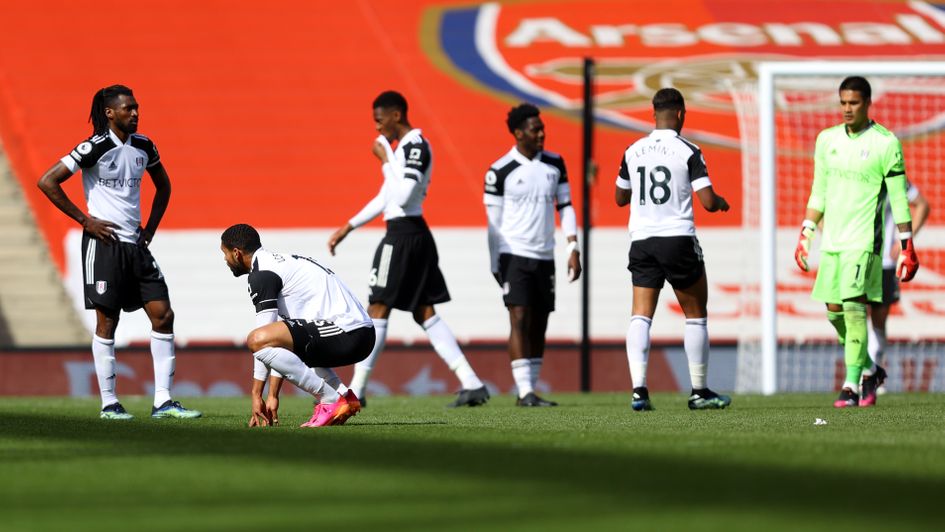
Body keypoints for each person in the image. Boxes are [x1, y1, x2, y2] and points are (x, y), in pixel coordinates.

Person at [36, 85, 200, 420]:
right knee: (108, 321)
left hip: (136, 245)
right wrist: (85, 220)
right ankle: (109, 403)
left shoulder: (144, 145)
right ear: (110, 113)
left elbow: (164, 186)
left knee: (163, 315)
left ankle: (164, 401)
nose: (135, 113)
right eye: (128, 109)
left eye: (137, 107)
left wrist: (150, 228)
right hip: (104, 244)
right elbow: (48, 180)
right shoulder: (93, 147)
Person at [327, 91, 488, 408]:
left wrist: (386, 158)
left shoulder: (414, 146)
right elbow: (387, 195)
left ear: (396, 115)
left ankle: (357, 390)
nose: (377, 128)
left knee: (378, 307)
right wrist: (347, 227)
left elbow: (401, 197)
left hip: (403, 236)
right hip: (413, 234)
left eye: (379, 120)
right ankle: (472, 382)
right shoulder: (403, 150)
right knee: (424, 311)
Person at [795, 76, 919, 408]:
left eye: (854, 103)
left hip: (865, 243)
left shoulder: (886, 143)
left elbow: (900, 200)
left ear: (867, 103)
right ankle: (870, 369)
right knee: (833, 311)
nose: (848, 109)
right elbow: (818, 191)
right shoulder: (827, 140)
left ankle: (851, 385)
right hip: (832, 241)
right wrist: (807, 231)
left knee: (853, 310)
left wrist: (907, 244)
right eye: (843, 103)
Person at [614, 88, 731, 411]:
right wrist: (720, 202)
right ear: (681, 114)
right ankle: (699, 391)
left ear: (653, 114)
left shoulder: (632, 150)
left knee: (640, 315)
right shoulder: (688, 150)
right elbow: (706, 201)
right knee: (695, 316)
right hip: (677, 238)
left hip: (641, 240)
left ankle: (639, 390)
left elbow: (620, 198)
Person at [220, 224, 374, 428]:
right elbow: (281, 344)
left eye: (225, 254)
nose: (225, 260)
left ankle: (330, 400)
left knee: (256, 339)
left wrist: (257, 394)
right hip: (357, 333)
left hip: (350, 332)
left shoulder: (262, 274)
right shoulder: (278, 262)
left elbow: (262, 338)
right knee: (274, 338)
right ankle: (344, 397)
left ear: (237, 253)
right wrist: (273, 395)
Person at [484, 103, 582, 407]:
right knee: (519, 316)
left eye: (542, 128)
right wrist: (494, 261)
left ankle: (531, 390)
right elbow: (493, 222)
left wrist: (572, 246)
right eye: (535, 129)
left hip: (544, 255)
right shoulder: (500, 171)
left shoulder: (555, 164)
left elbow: (565, 206)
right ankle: (524, 390)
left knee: (540, 319)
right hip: (513, 253)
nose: (541, 134)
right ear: (518, 133)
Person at [866, 183, 929, 399]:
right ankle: (859, 373)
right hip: (853, 256)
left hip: (884, 262)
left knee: (878, 320)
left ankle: (873, 372)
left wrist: (905, 243)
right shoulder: (852, 168)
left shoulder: (895, 176)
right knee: (852, 314)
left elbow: (922, 205)